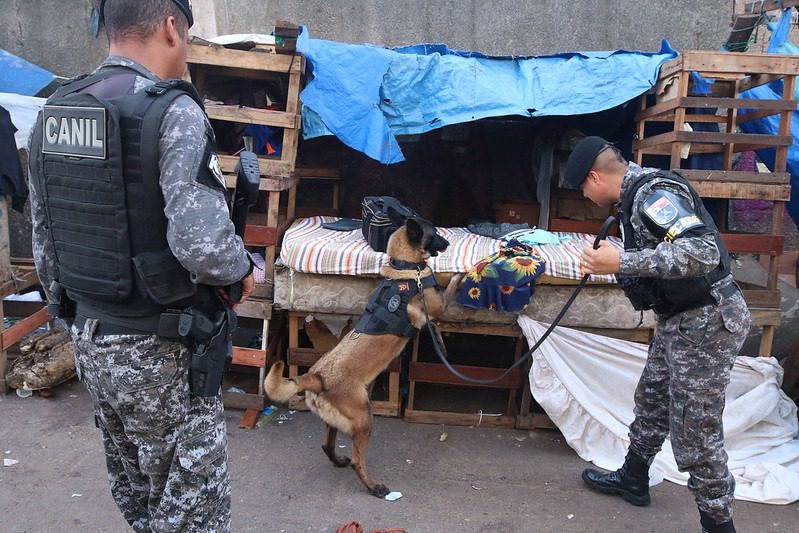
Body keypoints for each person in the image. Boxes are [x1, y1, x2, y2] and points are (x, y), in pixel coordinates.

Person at [28, 1, 254, 531]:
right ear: (172, 27)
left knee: (141, 494)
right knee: (190, 509)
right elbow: (202, 246)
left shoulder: (58, 109)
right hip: (161, 350)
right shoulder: (172, 110)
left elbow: (45, 246)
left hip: (91, 338)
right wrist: (241, 268)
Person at [562, 136, 751, 533]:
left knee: (695, 432)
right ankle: (634, 477)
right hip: (679, 319)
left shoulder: (654, 194)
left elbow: (703, 252)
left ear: (595, 178)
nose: (584, 194)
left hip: (707, 322)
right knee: (651, 400)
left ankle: (720, 525)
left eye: (582, 187)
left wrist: (622, 260)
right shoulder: (634, 199)